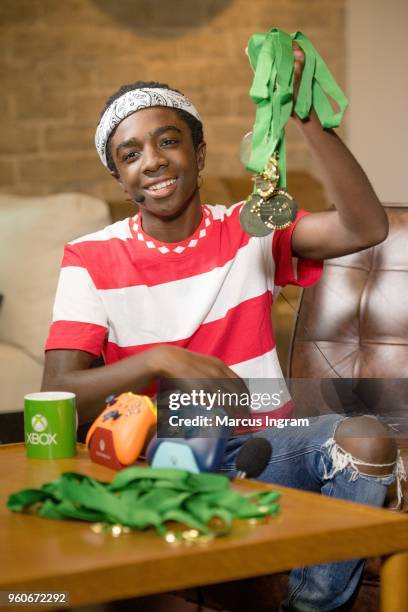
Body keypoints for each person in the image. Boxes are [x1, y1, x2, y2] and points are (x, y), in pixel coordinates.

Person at [42, 46, 404, 611]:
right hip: (159, 460)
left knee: (364, 438)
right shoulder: (91, 257)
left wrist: (303, 115)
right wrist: (158, 360)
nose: (153, 161)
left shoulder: (249, 228)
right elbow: (59, 394)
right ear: (119, 177)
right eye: (130, 153)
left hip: (265, 450)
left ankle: (310, 606)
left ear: (199, 152)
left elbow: (366, 225)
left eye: (168, 141)